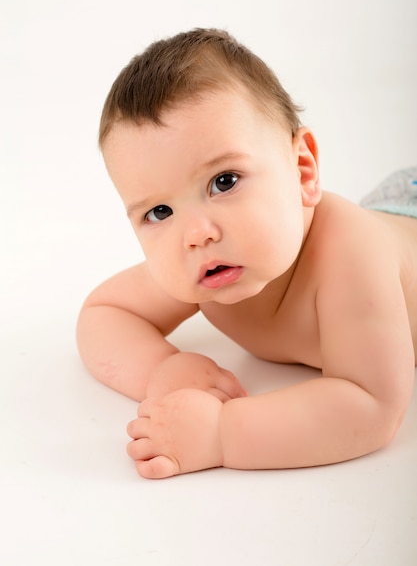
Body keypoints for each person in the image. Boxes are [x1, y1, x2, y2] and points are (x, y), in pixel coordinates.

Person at [76, 28, 417, 480]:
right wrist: (163, 369)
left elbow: (371, 404)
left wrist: (221, 432)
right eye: (160, 212)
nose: (195, 234)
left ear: (302, 171)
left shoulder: (352, 256)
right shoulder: (200, 262)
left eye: (224, 182)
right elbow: (104, 311)